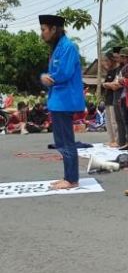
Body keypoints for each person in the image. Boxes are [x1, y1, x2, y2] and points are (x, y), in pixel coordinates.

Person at [38, 14, 85, 190]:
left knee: (66, 141)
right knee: (61, 141)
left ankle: (71, 179)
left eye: (44, 30)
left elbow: (64, 73)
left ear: (54, 29)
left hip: (65, 100)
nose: (42, 34)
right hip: (59, 100)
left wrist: (47, 77)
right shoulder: (58, 47)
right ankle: (68, 176)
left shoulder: (68, 47)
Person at [109, 47, 127, 148]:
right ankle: (121, 141)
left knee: (125, 120)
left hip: (123, 96)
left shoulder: (127, 68)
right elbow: (116, 81)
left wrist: (114, 85)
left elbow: (123, 82)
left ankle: (127, 141)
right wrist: (111, 84)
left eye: (118, 57)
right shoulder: (118, 69)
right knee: (118, 120)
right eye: (115, 57)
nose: (116, 59)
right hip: (116, 96)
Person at [101, 51, 119, 145]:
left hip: (114, 99)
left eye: (107, 60)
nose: (106, 63)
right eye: (105, 61)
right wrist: (107, 84)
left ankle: (117, 140)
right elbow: (106, 84)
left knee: (114, 121)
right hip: (107, 98)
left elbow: (114, 85)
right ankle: (111, 140)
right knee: (108, 122)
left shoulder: (117, 71)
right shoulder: (109, 71)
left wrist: (106, 84)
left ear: (112, 60)